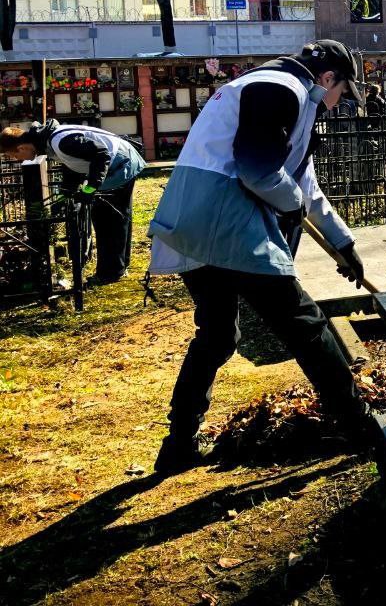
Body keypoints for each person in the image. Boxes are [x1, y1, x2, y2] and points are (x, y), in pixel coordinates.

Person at [149, 40, 371, 475]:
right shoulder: (279, 88)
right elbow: (257, 170)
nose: (338, 103)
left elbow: (303, 184)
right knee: (306, 326)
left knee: (216, 336)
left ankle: (178, 443)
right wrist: (290, 206)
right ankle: (359, 426)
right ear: (328, 78)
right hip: (228, 222)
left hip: (191, 223)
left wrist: (343, 244)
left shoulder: (279, 93)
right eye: (342, 92)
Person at [0, 120, 146, 283]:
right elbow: (74, 162)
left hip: (119, 163)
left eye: (15, 156)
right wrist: (67, 191)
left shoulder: (59, 142)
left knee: (107, 219)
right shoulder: (50, 139)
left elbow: (101, 154)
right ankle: (118, 267)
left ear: (21, 147)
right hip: (122, 159)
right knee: (117, 217)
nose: (18, 160)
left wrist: (90, 188)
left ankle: (109, 274)